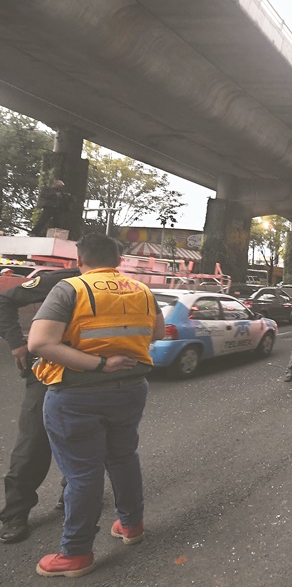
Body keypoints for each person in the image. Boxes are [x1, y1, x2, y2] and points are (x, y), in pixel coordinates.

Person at [27, 233, 163, 578]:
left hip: (77, 395)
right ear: (119, 261)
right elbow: (157, 333)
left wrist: (99, 363)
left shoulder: (71, 289)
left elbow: (40, 342)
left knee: (83, 474)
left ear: (79, 260)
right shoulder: (142, 291)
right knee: (123, 458)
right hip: (131, 389)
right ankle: (131, 526)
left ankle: (75, 553)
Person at [0, 268, 80, 545]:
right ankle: (15, 513)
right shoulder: (59, 280)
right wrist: (16, 344)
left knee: (83, 441)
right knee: (32, 445)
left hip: (91, 376)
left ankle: (73, 497)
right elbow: (5, 300)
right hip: (47, 372)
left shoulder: (115, 288)